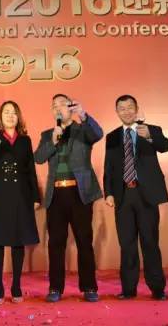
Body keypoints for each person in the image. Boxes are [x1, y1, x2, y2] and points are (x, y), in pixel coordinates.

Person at [34, 94, 103, 303]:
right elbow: (38, 158)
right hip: (56, 194)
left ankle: (89, 287)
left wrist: (83, 114)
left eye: (62, 104)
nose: (58, 108)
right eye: (54, 105)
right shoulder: (48, 134)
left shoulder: (83, 130)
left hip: (79, 192)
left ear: (70, 107)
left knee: (84, 241)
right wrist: (52, 141)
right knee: (56, 242)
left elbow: (98, 134)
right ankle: (55, 287)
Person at [104, 95, 168, 300]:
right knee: (127, 245)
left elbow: (165, 146)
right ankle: (128, 289)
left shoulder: (151, 129)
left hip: (146, 195)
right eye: (122, 108)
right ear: (117, 112)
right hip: (123, 195)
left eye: (130, 107)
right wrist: (109, 193)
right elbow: (109, 167)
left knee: (150, 242)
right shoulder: (112, 136)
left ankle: (157, 288)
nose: (126, 111)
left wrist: (149, 136)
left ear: (137, 108)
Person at [0, 101, 40, 304]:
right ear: (0, 117)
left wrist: (35, 196)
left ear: (18, 116)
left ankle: (16, 286)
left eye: (13, 112)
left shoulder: (25, 140)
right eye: (6, 112)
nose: (10, 115)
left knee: (17, 240)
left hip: (20, 194)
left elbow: (30, 169)